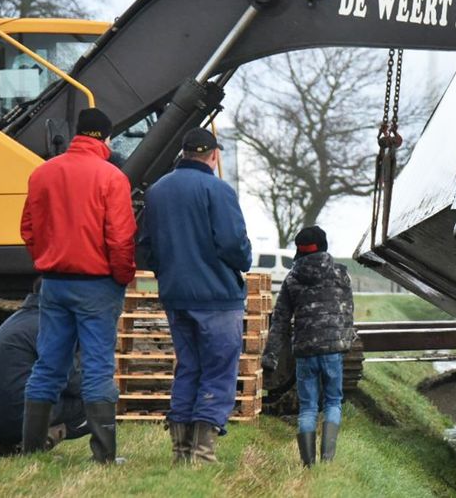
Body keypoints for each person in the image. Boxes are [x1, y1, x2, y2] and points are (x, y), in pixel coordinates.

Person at [19, 107, 136, 464]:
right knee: (98, 366)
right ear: (106, 137)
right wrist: (122, 276)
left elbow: (28, 229)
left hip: (54, 284)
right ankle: (104, 455)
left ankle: (32, 448)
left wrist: (50, 258)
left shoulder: (42, 174)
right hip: (97, 284)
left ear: (78, 135)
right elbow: (120, 238)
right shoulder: (112, 177)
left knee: (48, 364)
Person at [138, 127, 251, 464]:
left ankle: (180, 452)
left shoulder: (157, 191)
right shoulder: (218, 190)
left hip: (176, 296)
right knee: (218, 370)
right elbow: (233, 244)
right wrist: (243, 261)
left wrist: (167, 273)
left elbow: (144, 248)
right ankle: (204, 452)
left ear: (183, 153)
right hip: (217, 297)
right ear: (214, 156)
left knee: (188, 368)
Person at [261, 226, 355, 467]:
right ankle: (327, 459)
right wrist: (346, 341)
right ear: (323, 246)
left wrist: (270, 356)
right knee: (333, 402)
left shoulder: (292, 279)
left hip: (304, 351)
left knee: (307, 408)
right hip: (332, 350)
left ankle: (308, 464)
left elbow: (280, 321)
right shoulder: (340, 274)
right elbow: (347, 312)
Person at [0, 283, 89, 457]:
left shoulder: (16, 320)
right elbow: (72, 382)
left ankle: (8, 446)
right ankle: (37, 443)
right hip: (18, 419)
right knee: (97, 400)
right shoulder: (51, 326)